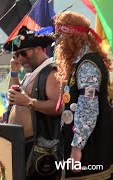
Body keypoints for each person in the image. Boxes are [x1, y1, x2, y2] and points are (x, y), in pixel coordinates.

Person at [54, 12, 113, 179]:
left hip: (90, 150)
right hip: (86, 147)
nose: (58, 42)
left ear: (73, 37)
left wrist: (76, 148)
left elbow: (87, 110)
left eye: (61, 36)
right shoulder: (81, 62)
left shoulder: (87, 65)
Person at [4, 26, 62, 179]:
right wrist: (14, 72)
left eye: (24, 52)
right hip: (22, 145)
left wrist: (29, 102)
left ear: (38, 49)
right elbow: (13, 97)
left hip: (39, 148)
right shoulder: (31, 74)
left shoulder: (51, 72)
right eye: (17, 54)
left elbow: (58, 107)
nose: (21, 58)